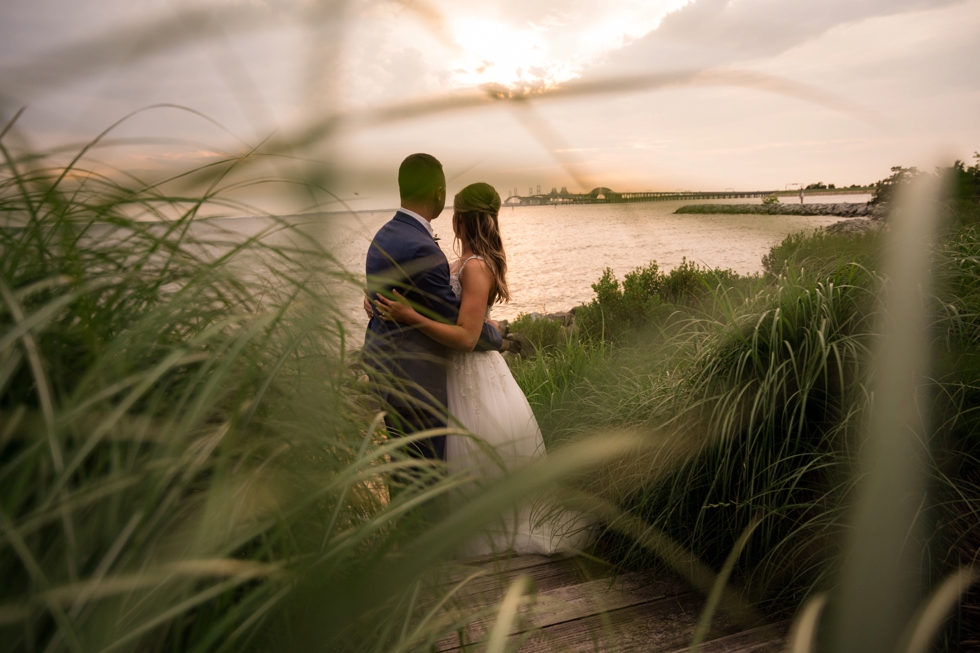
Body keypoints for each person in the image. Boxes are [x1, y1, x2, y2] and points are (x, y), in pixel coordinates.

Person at [372, 182, 592, 557]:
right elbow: (433, 300)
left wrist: (409, 317)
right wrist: (378, 301)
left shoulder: (476, 269)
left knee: (473, 452)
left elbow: (467, 338)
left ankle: (481, 535)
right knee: (463, 458)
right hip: (454, 373)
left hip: (471, 371)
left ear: (460, 221)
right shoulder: (460, 263)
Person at [363, 154, 502, 466]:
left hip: (389, 373)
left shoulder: (384, 235)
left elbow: (395, 287)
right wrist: (493, 334)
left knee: (408, 473)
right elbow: (464, 329)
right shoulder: (424, 247)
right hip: (417, 385)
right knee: (427, 478)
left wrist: (373, 297)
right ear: (439, 194)